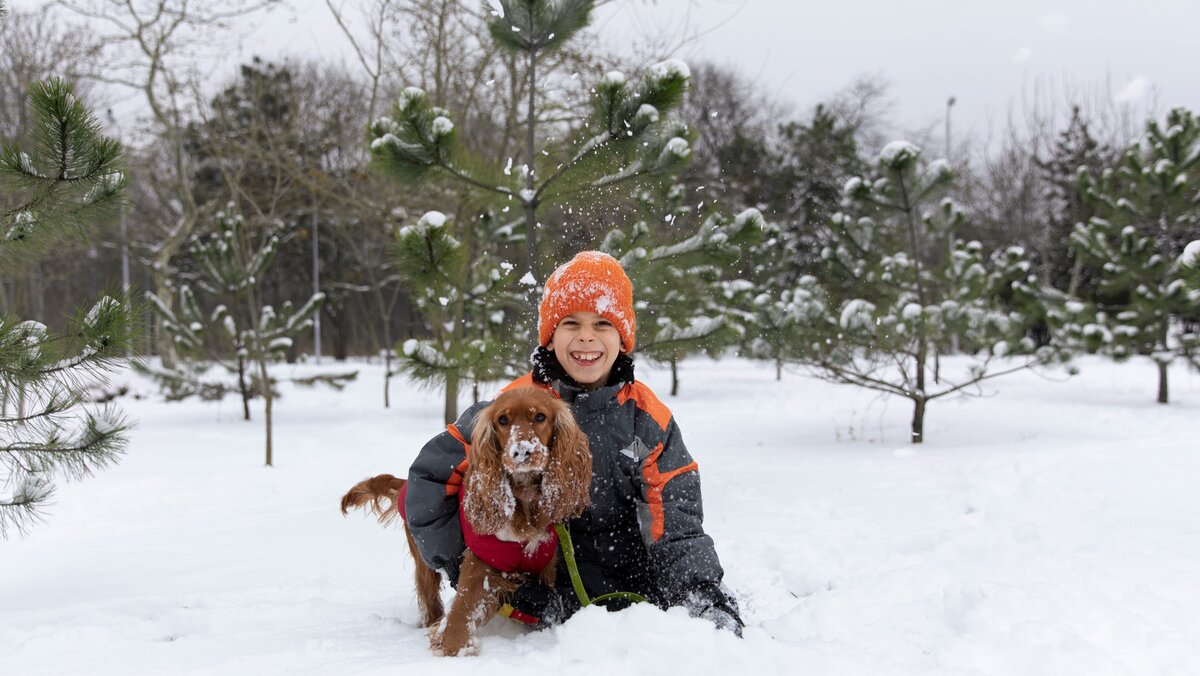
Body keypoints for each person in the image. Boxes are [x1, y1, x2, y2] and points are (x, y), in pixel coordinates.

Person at [404, 250, 743, 635]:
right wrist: (463, 562)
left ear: (623, 337)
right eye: (570, 323)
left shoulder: (647, 419)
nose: (586, 336)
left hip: (632, 584)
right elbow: (429, 482)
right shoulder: (511, 407)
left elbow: (676, 517)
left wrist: (699, 592)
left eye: (602, 322)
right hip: (538, 590)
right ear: (550, 336)